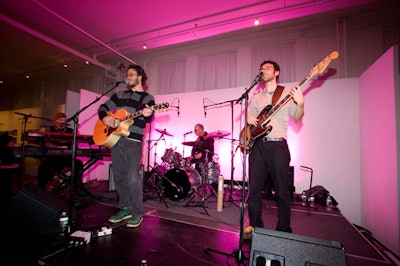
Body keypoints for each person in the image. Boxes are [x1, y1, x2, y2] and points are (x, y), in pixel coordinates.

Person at [244, 60, 304, 236]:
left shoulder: (286, 93)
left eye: (268, 68)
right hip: (258, 147)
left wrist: (300, 104)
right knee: (253, 189)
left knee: (282, 190)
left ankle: (284, 229)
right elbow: (251, 121)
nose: (264, 71)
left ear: (277, 72)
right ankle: (255, 226)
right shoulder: (257, 97)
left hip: (278, 145)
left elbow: (298, 118)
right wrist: (248, 117)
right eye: (261, 69)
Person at [97, 64, 155, 228]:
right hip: (116, 140)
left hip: (133, 141)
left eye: (131, 74)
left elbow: (149, 119)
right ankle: (125, 208)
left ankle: (137, 212)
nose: (127, 77)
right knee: (119, 177)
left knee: (132, 178)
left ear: (140, 77)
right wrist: (104, 118)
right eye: (127, 75)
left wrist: (148, 114)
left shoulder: (147, 98)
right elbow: (102, 107)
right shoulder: (119, 94)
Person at [37, 112, 84, 195]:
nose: (62, 122)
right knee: (43, 167)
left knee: (78, 164)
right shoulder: (49, 129)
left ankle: (77, 187)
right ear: (55, 121)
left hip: (66, 157)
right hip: (53, 157)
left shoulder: (70, 131)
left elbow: (74, 144)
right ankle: (41, 190)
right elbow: (46, 143)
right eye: (60, 120)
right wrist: (59, 148)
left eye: (64, 120)